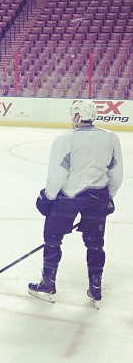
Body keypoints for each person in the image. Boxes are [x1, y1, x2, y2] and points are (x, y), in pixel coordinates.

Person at [29, 100, 123, 305]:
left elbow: (57, 175)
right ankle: (95, 289)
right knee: (96, 244)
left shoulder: (65, 139)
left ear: (78, 116)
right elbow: (116, 173)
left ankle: (47, 284)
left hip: (68, 198)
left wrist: (48, 197)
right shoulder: (110, 138)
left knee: (52, 239)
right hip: (99, 197)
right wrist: (109, 197)